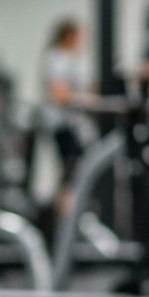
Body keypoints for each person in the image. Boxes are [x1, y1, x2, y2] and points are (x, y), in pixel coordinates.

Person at [38, 18, 93, 222]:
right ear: (68, 35)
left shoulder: (69, 59)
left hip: (71, 125)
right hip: (62, 125)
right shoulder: (57, 58)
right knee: (71, 169)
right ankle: (62, 217)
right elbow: (58, 94)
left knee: (74, 170)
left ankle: (68, 215)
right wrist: (84, 99)